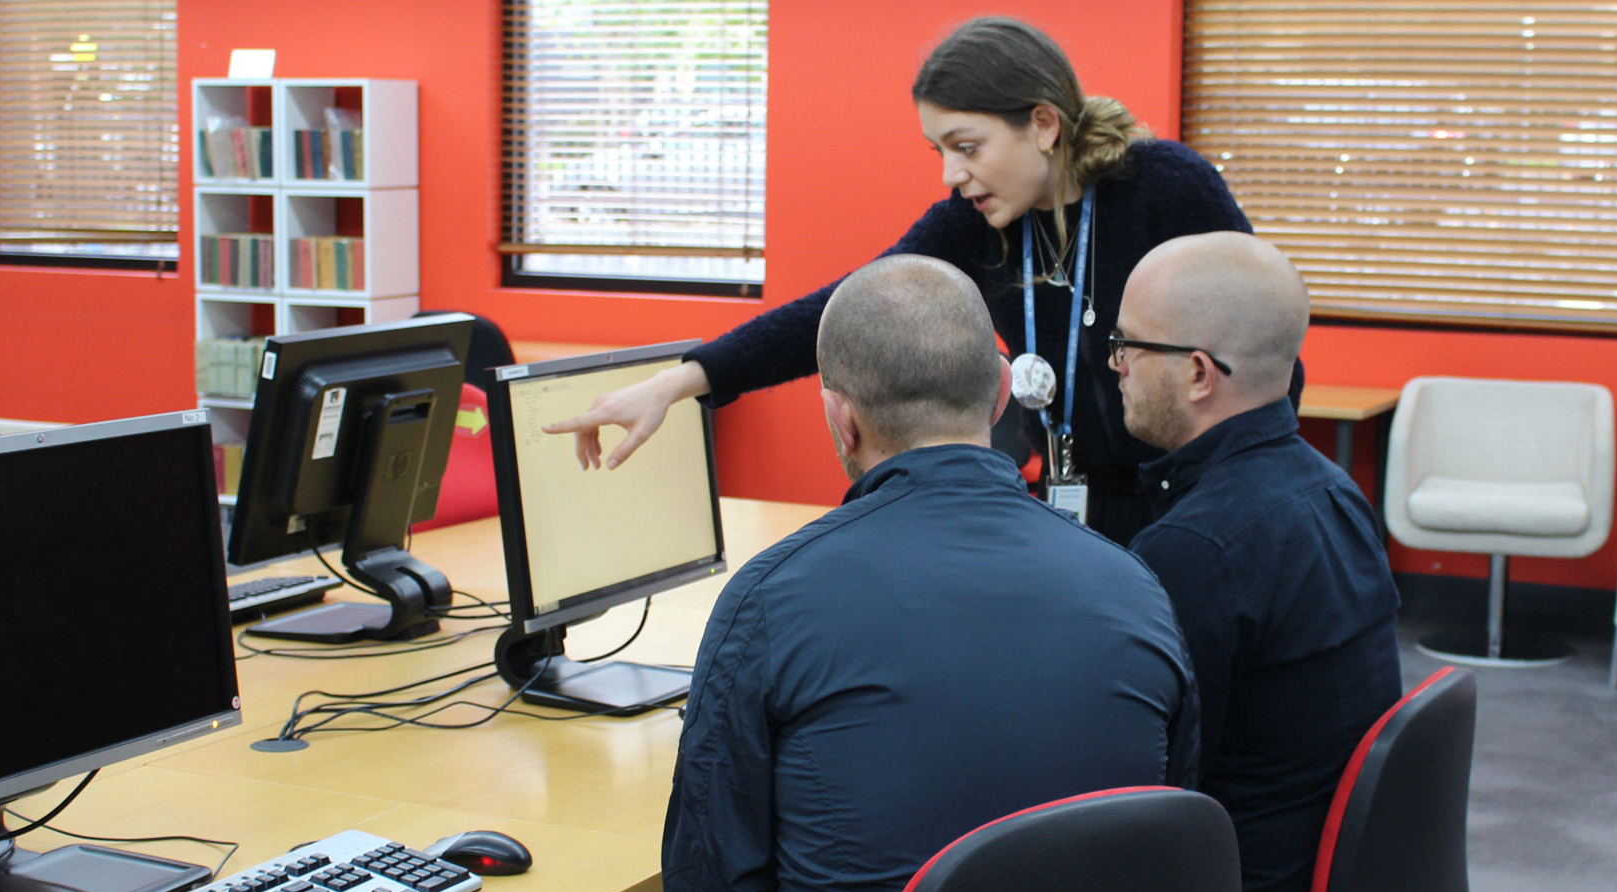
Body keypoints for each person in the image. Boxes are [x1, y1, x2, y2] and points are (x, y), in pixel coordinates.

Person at [661, 254, 1200, 892]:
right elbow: (1167, 836)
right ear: (996, 398)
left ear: (839, 419)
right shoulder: (1136, 587)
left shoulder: (771, 598)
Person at [546, 16, 1277, 545]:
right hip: (1073, 514)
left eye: (967, 147)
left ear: (1045, 124)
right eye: (938, 150)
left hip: (1195, 514)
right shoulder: (977, 222)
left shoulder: (1165, 188)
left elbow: (1263, 360)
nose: (951, 174)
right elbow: (844, 311)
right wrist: (679, 382)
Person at [1113, 231, 1402, 892]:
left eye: (1127, 346)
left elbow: (1139, 792)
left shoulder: (1196, 549)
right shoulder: (1333, 491)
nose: (1116, 368)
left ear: (1198, 373)